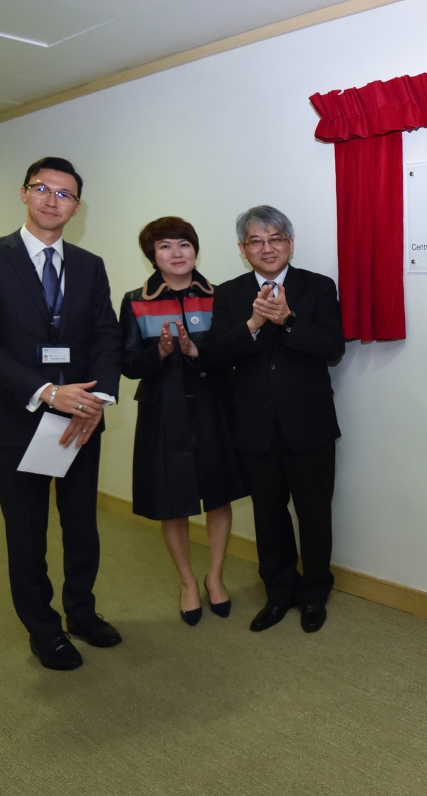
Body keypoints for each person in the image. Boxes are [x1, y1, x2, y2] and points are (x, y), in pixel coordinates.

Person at [0, 157, 122, 671]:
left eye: (65, 194)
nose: (53, 200)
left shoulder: (90, 265)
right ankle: (43, 629)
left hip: (81, 418)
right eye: (42, 189)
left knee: (81, 526)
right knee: (26, 532)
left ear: (77, 205)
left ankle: (81, 612)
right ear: (24, 193)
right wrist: (48, 392)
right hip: (19, 415)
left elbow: (106, 337)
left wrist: (98, 401)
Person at [205, 205, 344, 634]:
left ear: (290, 243)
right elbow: (214, 356)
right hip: (254, 426)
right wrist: (252, 322)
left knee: (315, 513)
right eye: (256, 241)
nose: (267, 248)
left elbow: (332, 347)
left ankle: (314, 593)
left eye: (275, 239)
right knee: (268, 515)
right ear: (243, 249)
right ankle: (279, 592)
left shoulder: (317, 287)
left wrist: (287, 320)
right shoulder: (228, 294)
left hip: (310, 424)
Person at [119, 217, 247, 626]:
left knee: (219, 495)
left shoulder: (220, 297)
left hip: (214, 408)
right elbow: (127, 365)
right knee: (171, 501)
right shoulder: (135, 300)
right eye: (165, 247)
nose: (177, 254)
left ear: (196, 250)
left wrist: (195, 351)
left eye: (184, 245)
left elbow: (235, 353)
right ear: (152, 256)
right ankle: (188, 582)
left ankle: (215, 576)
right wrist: (159, 352)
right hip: (164, 412)